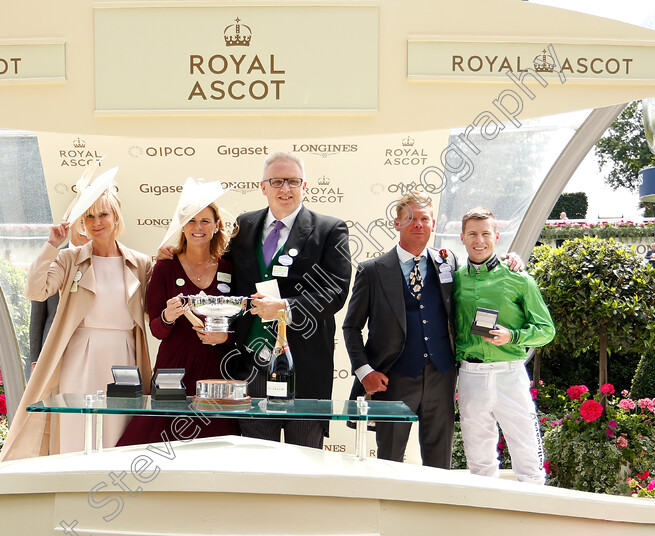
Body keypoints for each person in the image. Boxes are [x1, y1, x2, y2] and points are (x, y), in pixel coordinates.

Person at [0, 180, 152, 460]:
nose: (97, 222)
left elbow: (158, 307)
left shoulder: (140, 263)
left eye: (103, 215)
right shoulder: (69, 258)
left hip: (124, 359)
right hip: (79, 357)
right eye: (89, 216)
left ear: (116, 217)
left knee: (118, 433)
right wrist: (51, 245)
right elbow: (35, 290)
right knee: (74, 429)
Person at [227, 151, 351, 449]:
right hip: (252, 364)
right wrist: (176, 254)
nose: (285, 189)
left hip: (305, 365)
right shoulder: (243, 226)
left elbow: (335, 291)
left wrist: (285, 307)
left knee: (305, 461)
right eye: (277, 181)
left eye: (293, 181)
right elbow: (222, 272)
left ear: (304, 185)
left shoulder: (329, 230)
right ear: (263, 186)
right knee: (256, 459)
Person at [343, 192, 458, 468]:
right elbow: (351, 327)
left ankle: (435, 510)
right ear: (396, 223)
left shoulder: (448, 263)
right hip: (394, 380)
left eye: (423, 218)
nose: (418, 224)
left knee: (439, 462)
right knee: (389, 461)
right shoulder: (372, 270)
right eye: (410, 218)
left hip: (441, 378)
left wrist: (511, 262)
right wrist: (365, 371)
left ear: (433, 224)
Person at [118, 187, 239, 445]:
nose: (198, 227)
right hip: (174, 368)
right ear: (182, 226)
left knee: (214, 441)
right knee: (155, 438)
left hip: (217, 367)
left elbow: (240, 324)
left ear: (217, 226)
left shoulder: (230, 267)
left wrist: (224, 338)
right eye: (191, 220)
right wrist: (167, 317)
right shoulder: (165, 266)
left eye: (205, 220)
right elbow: (156, 329)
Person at [454, 207, 555, 484]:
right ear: (462, 237)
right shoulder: (454, 278)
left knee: (529, 460)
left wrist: (512, 336)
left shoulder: (519, 277)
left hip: (510, 374)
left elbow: (546, 330)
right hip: (470, 377)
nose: (479, 240)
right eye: (472, 234)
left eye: (486, 233)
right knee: (479, 462)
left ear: (497, 236)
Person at [27, 227, 90, 380]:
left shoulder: (103, 259)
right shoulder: (52, 257)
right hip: (52, 347)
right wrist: (35, 359)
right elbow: (37, 317)